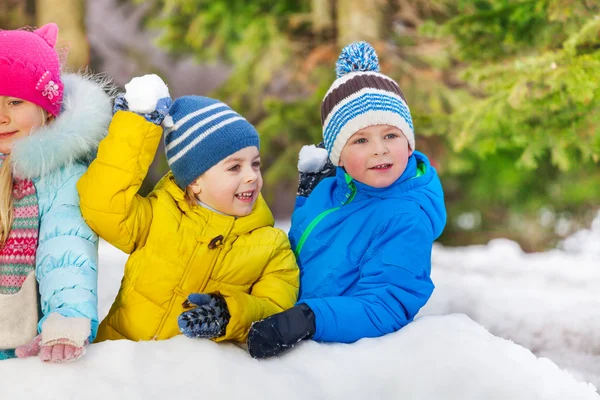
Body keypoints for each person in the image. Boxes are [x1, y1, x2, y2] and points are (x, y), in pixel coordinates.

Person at [247, 42, 447, 359]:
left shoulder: (407, 219)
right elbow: (309, 247)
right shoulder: (332, 191)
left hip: (342, 357)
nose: (380, 149)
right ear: (339, 155)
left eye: (391, 135)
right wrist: (307, 200)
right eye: (361, 140)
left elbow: (386, 304)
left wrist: (309, 319)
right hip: (289, 321)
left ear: (409, 144)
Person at [76, 74, 299, 344]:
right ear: (194, 181)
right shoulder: (157, 217)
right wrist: (135, 126)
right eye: (234, 167)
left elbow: (276, 306)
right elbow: (101, 204)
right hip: (123, 362)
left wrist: (228, 313)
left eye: (255, 163)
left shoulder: (271, 247)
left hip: (194, 377)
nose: (252, 176)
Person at [0, 23, 112, 362]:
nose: (2, 117)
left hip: (21, 348)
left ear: (47, 108)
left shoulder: (60, 177)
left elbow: (66, 249)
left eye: (15, 101)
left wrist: (66, 319)